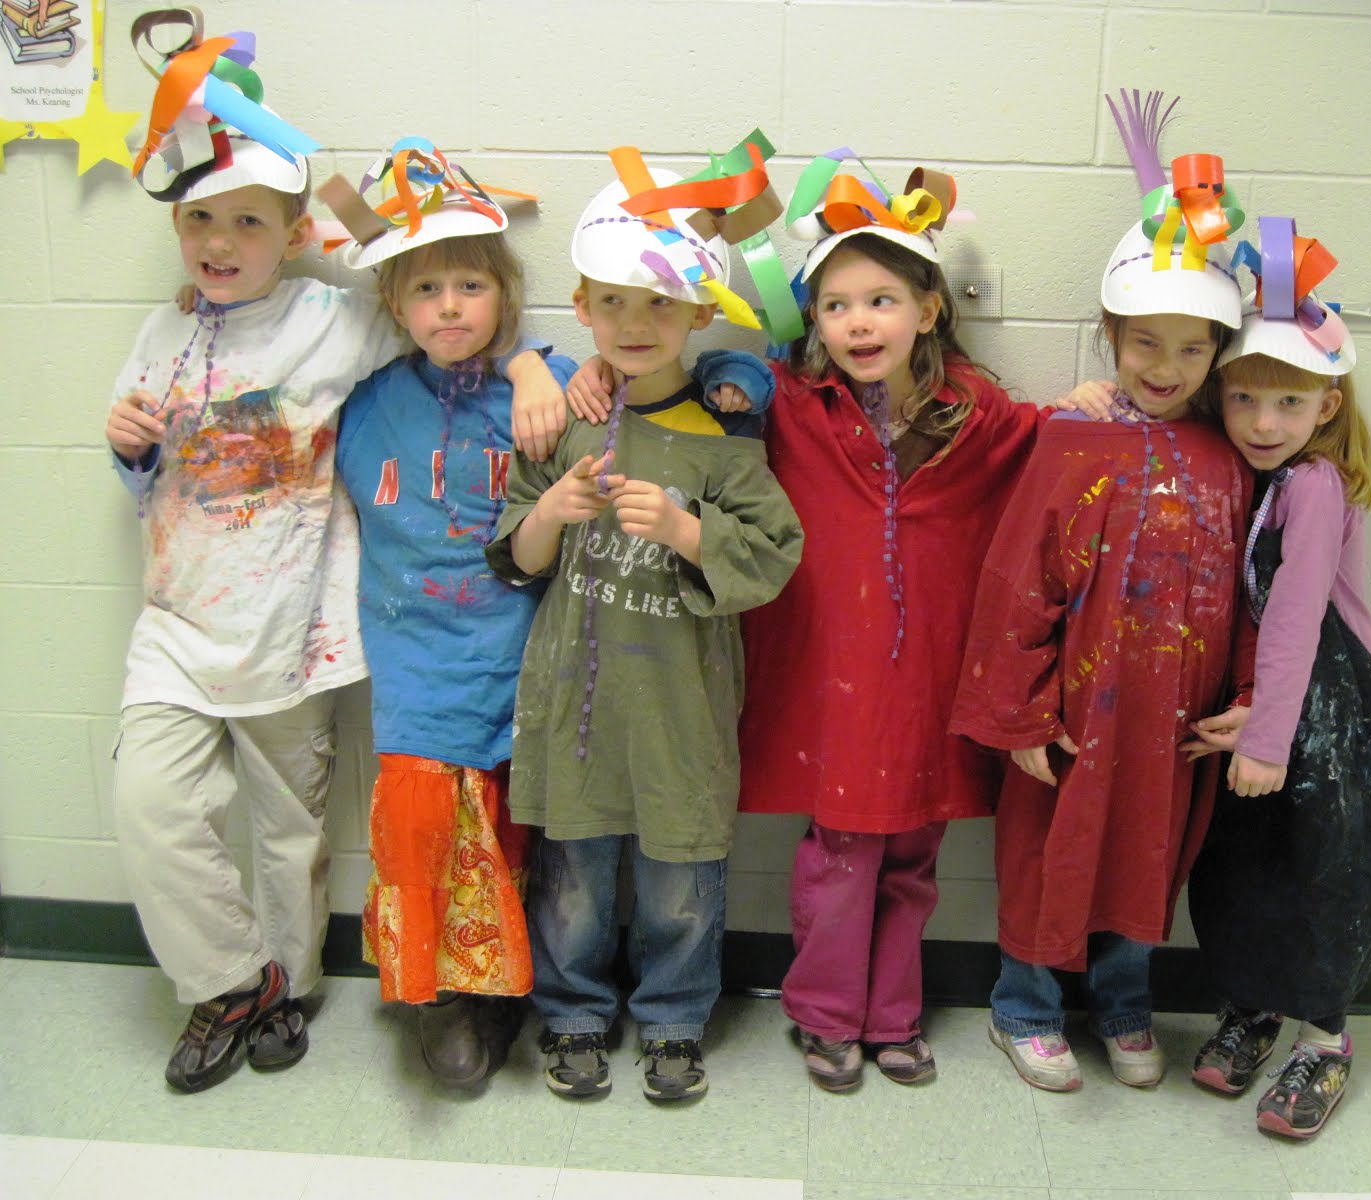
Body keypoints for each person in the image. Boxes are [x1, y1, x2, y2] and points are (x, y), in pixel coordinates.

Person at [105, 18, 563, 1094]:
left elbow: (448, 311)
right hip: (178, 622)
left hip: (294, 633)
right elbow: (145, 469)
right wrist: (125, 448)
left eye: (245, 222)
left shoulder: (335, 319)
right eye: (199, 222)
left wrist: (539, 354)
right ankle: (230, 983)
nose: (218, 243)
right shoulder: (160, 334)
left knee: (290, 835)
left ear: (292, 230)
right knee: (150, 804)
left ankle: (293, 986)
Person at [485, 151, 803, 1103]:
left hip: (678, 708)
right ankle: (574, 1011)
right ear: (581, 308)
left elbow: (774, 555)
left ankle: (672, 1017)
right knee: (573, 872)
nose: (634, 324)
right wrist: (553, 512)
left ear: (701, 316)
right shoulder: (565, 425)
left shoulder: (720, 433)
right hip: (575, 706)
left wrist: (684, 529)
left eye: (660, 305)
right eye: (613, 303)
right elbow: (514, 555)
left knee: (679, 876)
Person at [950, 92, 1249, 1095]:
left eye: (1190, 347)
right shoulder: (1069, 440)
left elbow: (1250, 592)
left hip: (1172, 722)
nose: (1165, 366)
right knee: (1048, 858)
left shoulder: (1224, 457)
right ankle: (1022, 1008)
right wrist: (1020, 711)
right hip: (1075, 718)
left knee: (1143, 861)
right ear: (1110, 336)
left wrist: (1244, 697)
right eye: (1144, 343)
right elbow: (1016, 583)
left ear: (1216, 355)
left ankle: (1124, 1007)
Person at [735, 156, 1051, 1091]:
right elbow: (704, 364)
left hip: (926, 680)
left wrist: (1094, 409)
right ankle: (826, 1015)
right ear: (812, 321)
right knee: (840, 853)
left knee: (914, 854)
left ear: (929, 309)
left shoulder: (978, 414)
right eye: (835, 306)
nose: (858, 322)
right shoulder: (789, 403)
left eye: (880, 300)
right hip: (832, 677)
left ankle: (894, 1015)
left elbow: (1049, 446)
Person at [325, 141, 579, 1086]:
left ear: (502, 297)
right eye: (426, 289)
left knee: (519, 829)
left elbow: (633, 401)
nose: (449, 307)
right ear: (396, 306)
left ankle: (503, 994)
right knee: (422, 827)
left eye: (469, 285)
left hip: (515, 653)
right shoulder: (366, 405)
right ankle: (434, 993)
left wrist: (532, 369)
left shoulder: (543, 390)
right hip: (415, 659)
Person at [1180, 220, 1371, 1139]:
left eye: (1288, 401)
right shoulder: (1253, 472)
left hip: (1337, 713)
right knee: (1250, 872)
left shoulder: (1312, 485)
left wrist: (1272, 736)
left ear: (1327, 404)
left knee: (1325, 878)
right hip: (1277, 710)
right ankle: (1255, 1009)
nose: (1262, 422)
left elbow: (1296, 611)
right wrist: (1257, 717)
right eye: (1243, 400)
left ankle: (1324, 1042)